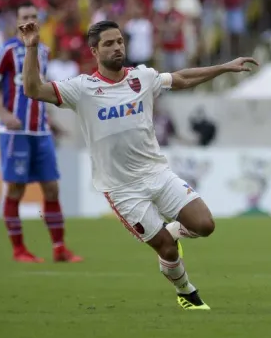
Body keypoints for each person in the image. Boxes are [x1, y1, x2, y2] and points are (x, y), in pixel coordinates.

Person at [19, 19, 257, 310]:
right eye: (109, 43)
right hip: (122, 189)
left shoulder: (142, 77)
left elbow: (181, 79)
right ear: (94, 51)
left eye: (119, 41)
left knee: (205, 225)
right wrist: (31, 48)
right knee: (167, 249)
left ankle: (173, 231)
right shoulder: (80, 88)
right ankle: (186, 292)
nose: (117, 47)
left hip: (157, 173)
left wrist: (223, 67)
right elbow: (32, 89)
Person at [0, 2, 82, 263]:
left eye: (33, 16)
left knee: (51, 188)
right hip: (15, 132)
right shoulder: (7, 51)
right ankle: (19, 250)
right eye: (24, 16)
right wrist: (4, 114)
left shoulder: (44, 51)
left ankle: (59, 248)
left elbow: (38, 91)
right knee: (16, 189)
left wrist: (52, 122)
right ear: (16, 21)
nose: (29, 20)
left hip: (41, 131)